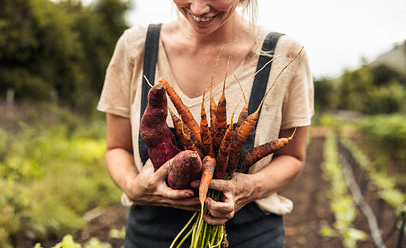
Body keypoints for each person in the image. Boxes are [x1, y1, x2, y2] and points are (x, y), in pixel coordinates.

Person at [97, 0, 314, 247]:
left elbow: (293, 156)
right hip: (149, 237)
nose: (198, 8)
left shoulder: (285, 55)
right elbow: (117, 148)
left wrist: (249, 187)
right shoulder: (135, 46)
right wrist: (133, 187)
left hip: (249, 238)